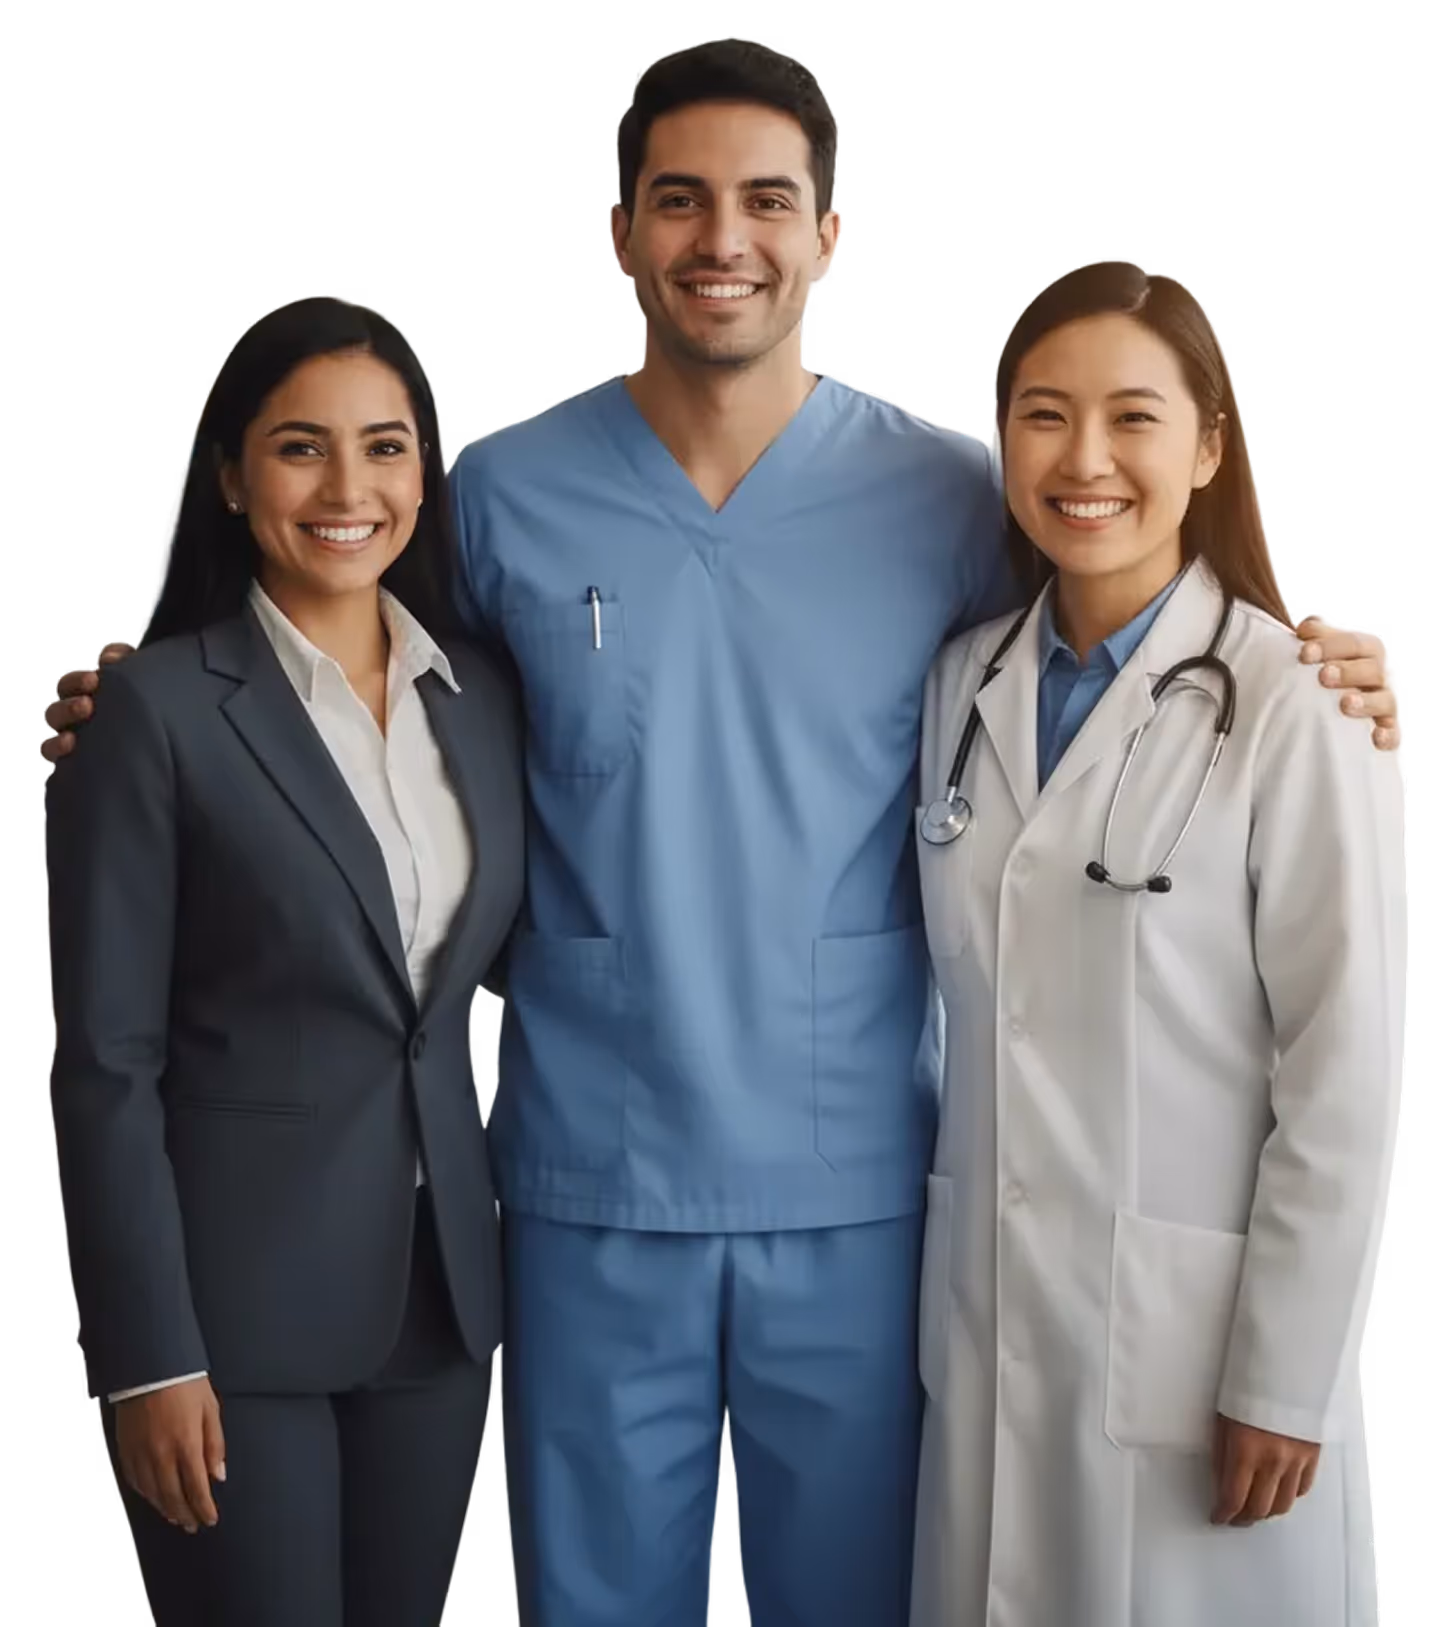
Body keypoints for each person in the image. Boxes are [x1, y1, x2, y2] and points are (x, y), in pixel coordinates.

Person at [38, 43, 1404, 1627]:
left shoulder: (958, 496)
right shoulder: (500, 494)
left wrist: (1322, 655)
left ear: (829, 238)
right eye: (679, 201)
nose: (722, 238)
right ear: (619, 233)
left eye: (768, 200)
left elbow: (1126, 640)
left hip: (867, 1191)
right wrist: (154, 687)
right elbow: (347, 684)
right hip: (587, 1189)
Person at [909, 262, 1406, 1627]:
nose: (1083, 460)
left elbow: (1346, 1073)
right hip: (993, 1324)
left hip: (1198, 1360)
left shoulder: (1298, 705)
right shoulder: (963, 683)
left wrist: (1284, 1374)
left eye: (1133, 417)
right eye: (1041, 415)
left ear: (1206, 445)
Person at [42, 296, 523, 1627]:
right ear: (233, 479)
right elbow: (104, 1064)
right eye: (302, 447)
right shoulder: (152, 709)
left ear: (426, 470)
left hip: (441, 1308)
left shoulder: (481, 702)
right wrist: (144, 1357)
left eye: (385, 446)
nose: (349, 487)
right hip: (230, 1321)